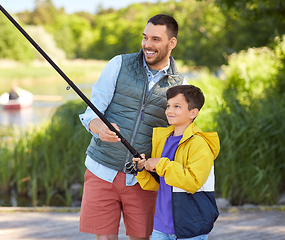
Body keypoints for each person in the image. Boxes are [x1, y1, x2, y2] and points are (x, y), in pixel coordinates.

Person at [79, 14, 188, 240]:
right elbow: (91, 112)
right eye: (145, 37)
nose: (148, 44)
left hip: (143, 178)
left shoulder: (181, 87)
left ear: (172, 43)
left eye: (156, 39)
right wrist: (101, 129)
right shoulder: (118, 64)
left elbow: (179, 137)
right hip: (102, 168)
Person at [133, 85, 220, 240]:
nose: (169, 111)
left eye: (177, 106)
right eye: (168, 106)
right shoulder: (163, 140)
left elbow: (193, 181)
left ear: (193, 113)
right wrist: (142, 170)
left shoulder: (199, 144)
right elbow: (160, 183)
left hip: (190, 226)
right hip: (161, 226)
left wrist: (161, 164)